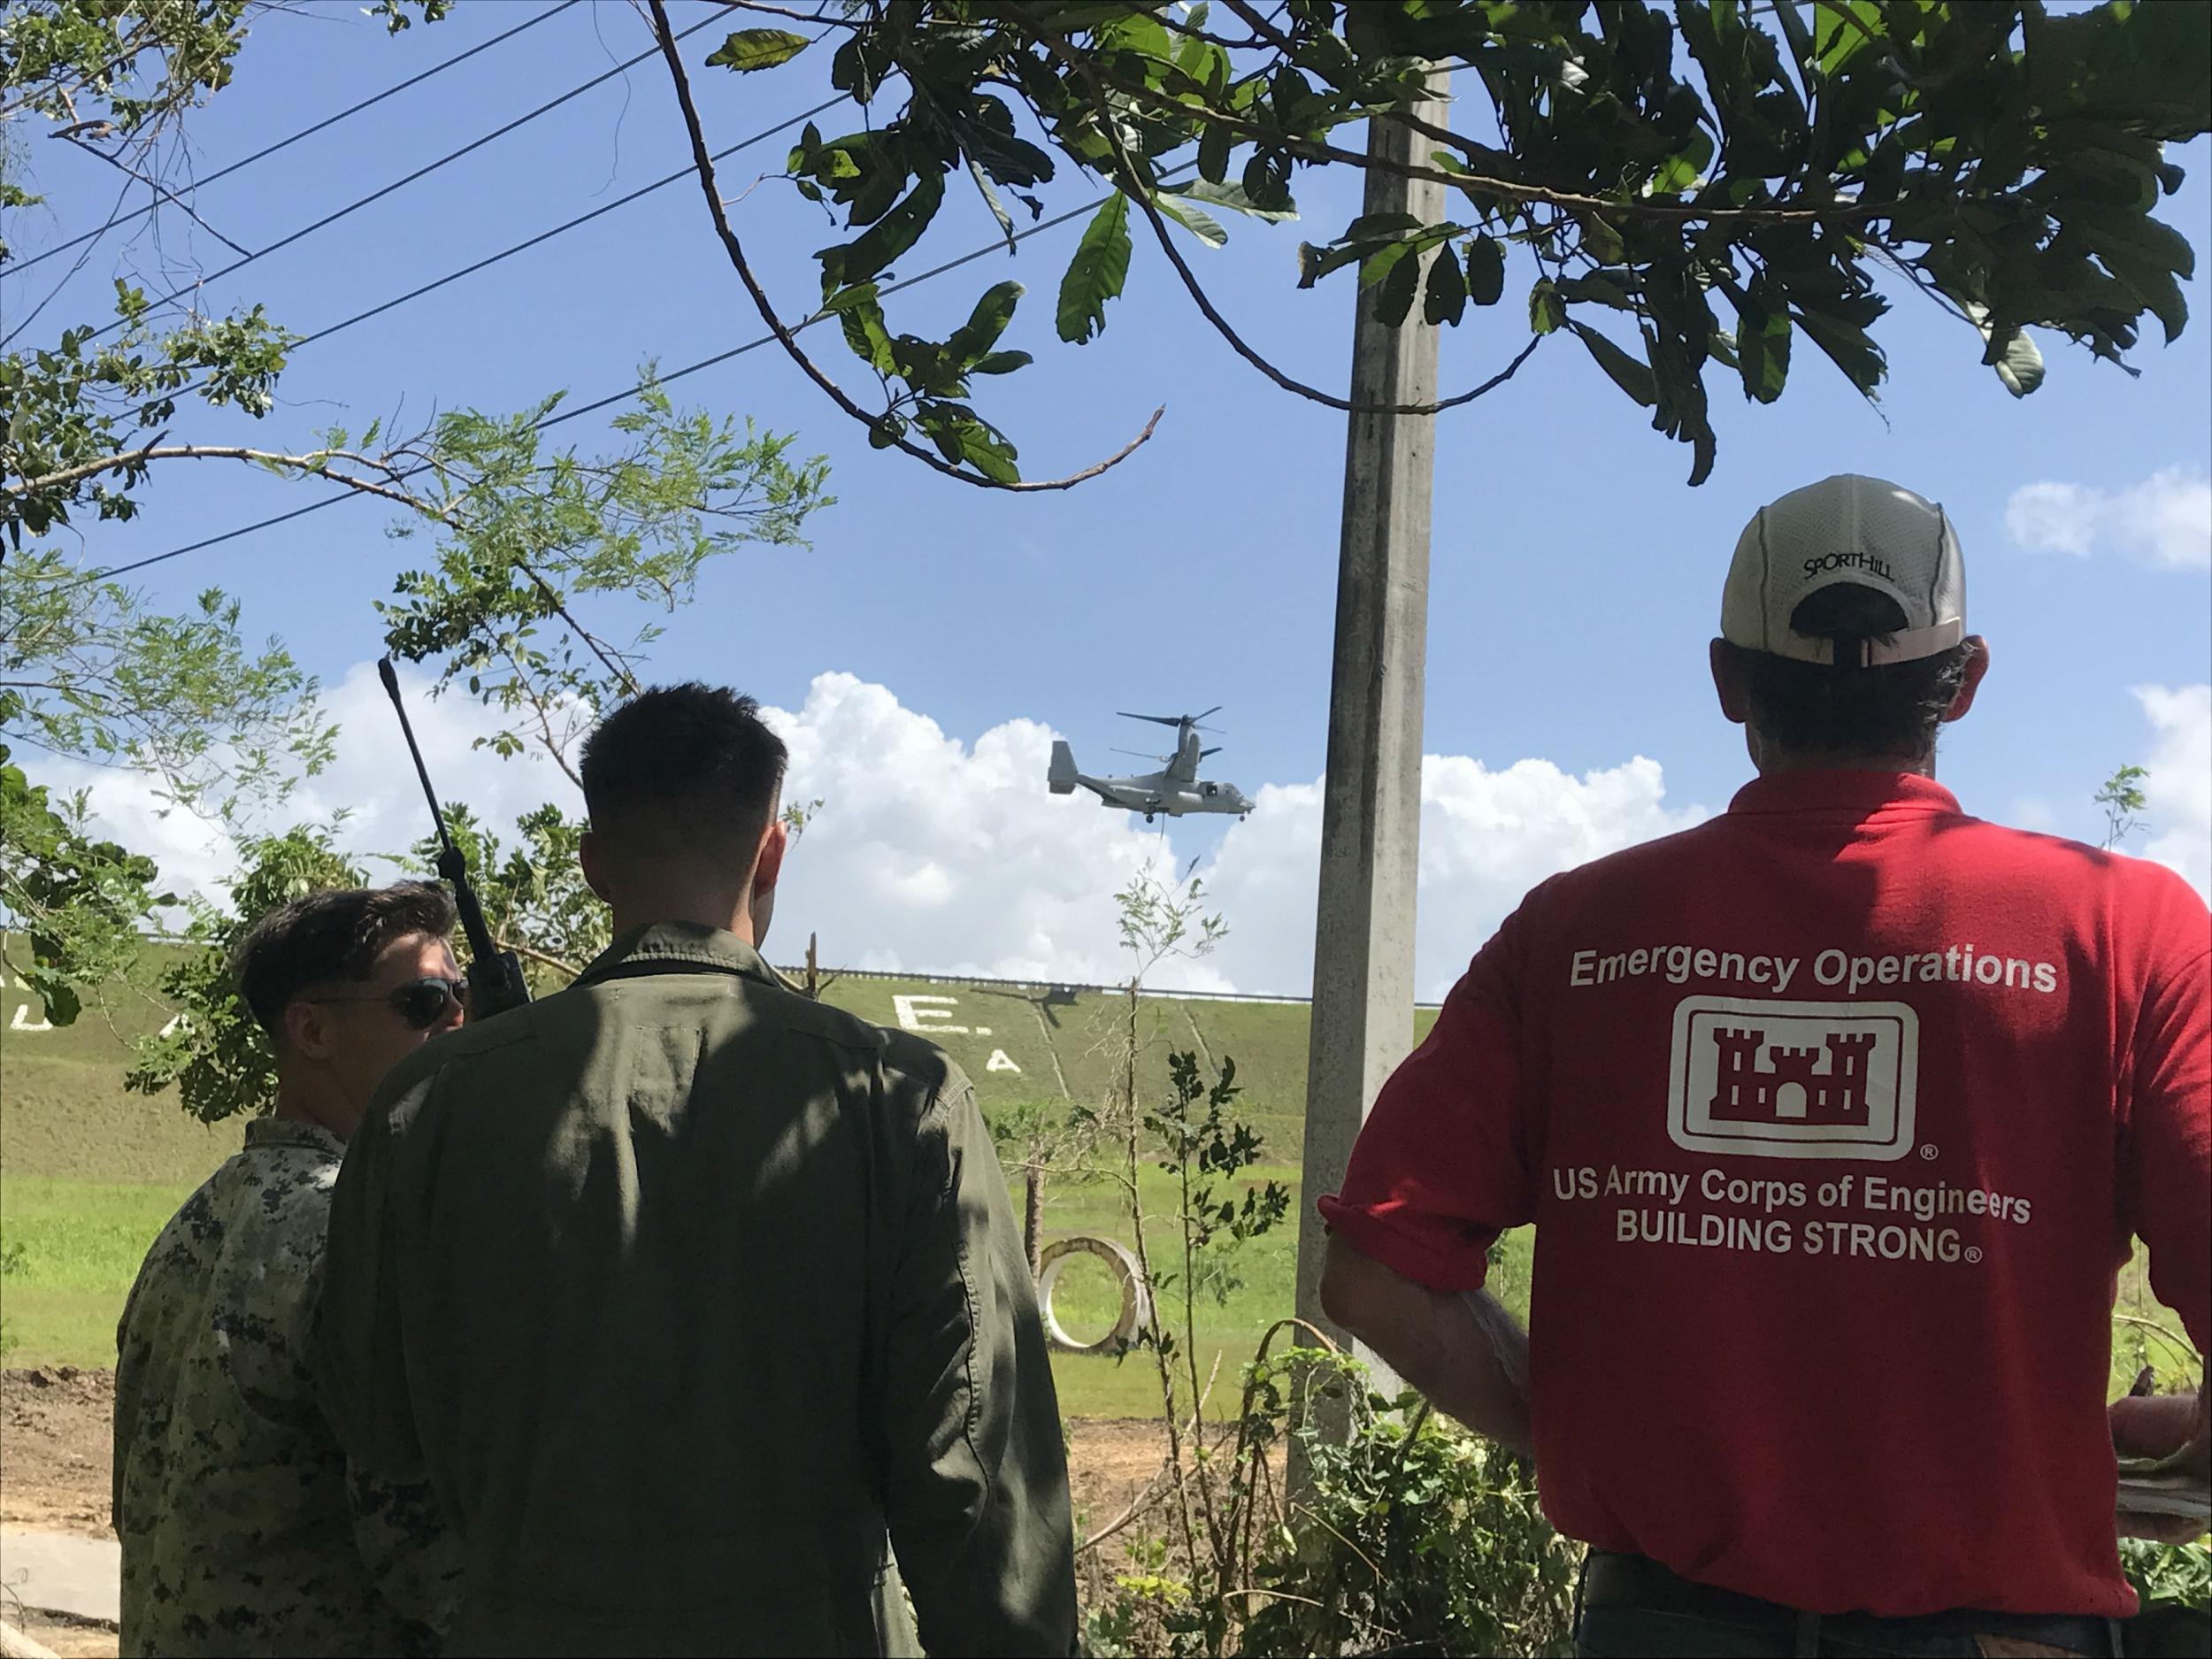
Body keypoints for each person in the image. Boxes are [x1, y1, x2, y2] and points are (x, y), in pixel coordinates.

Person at [1318, 475, 2209, 1656]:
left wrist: (1601, 1430)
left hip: (1659, 1626)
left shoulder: (1573, 932)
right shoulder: (2124, 927)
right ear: (1969, 676)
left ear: (1729, 679)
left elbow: (1375, 1274)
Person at [317, 682, 1076, 1656]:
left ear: (593, 867)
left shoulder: (426, 1102)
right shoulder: (900, 1098)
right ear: (771, 851)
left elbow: (376, 1422)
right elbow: (981, 1481)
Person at [113, 883, 467, 1657]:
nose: (455, 1020)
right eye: (424, 1000)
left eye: (460, 992)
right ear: (311, 1028)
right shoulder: (360, 1234)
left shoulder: (192, 1222)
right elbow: (432, 1564)